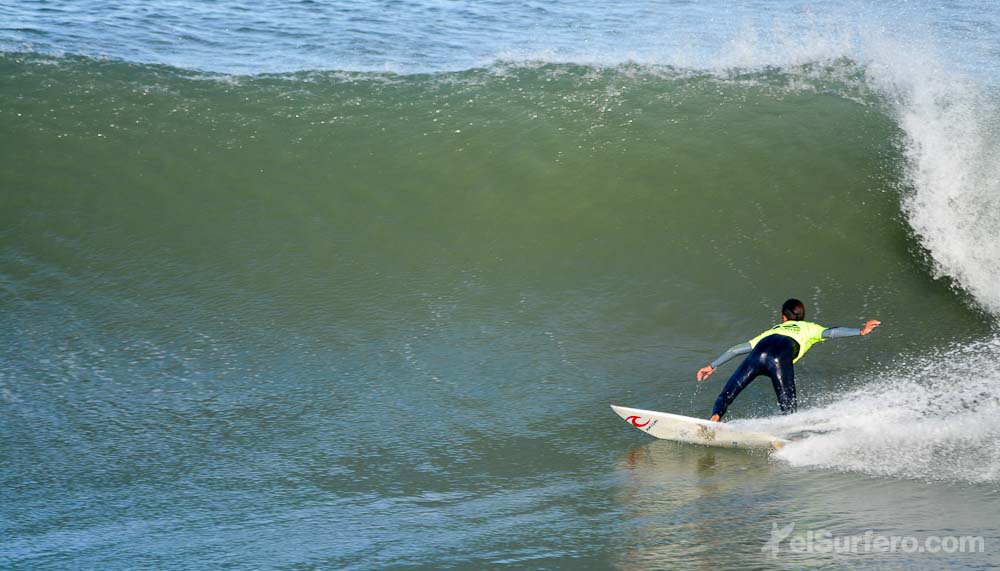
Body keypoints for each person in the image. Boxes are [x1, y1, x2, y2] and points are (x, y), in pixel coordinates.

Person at [696, 299, 880, 421]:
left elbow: (735, 350)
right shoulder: (810, 328)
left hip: (761, 350)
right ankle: (788, 435)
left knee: (726, 395)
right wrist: (860, 331)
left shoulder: (773, 329)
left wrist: (712, 366)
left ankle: (715, 419)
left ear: (784, 317)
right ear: (802, 316)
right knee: (788, 409)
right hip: (780, 357)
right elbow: (832, 332)